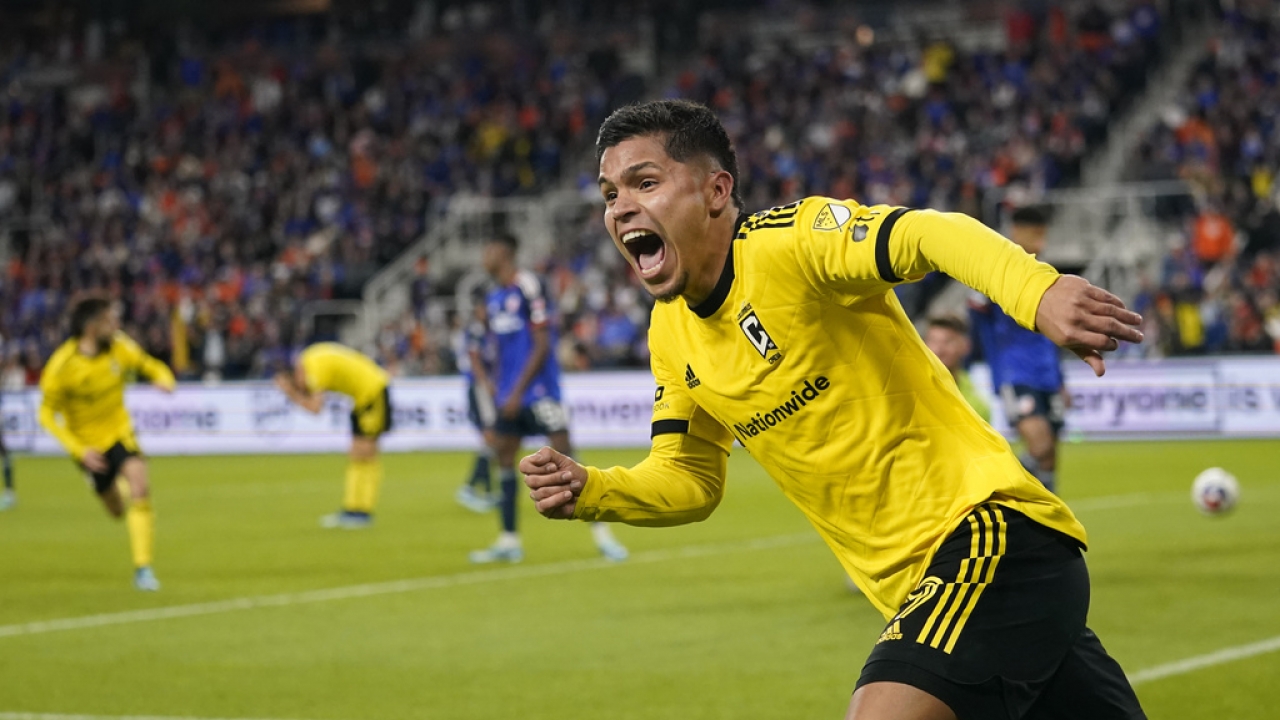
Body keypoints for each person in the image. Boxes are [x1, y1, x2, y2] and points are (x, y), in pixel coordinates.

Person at [521, 100, 1147, 720]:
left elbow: (929, 234)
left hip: (989, 540)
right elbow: (689, 475)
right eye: (609, 194)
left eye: (645, 182)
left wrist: (1037, 290)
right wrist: (595, 489)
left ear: (716, 191)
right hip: (921, 591)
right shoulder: (670, 333)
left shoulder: (791, 243)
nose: (620, 207)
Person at [469, 233, 628, 564]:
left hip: (539, 393)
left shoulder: (529, 286)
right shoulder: (495, 297)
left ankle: (603, 536)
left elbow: (542, 344)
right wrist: (497, 387)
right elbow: (496, 349)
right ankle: (509, 540)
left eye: (489, 249)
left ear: (504, 252)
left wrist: (516, 391)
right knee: (505, 459)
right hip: (508, 395)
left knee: (567, 460)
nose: (484, 256)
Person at [38, 296, 175, 591]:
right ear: (91, 327)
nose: (116, 325)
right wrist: (78, 450)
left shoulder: (120, 346)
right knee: (116, 510)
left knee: (140, 487)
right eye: (109, 321)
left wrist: (165, 379)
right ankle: (111, 487)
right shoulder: (63, 365)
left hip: (120, 434)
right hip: (88, 447)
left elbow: (149, 365)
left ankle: (143, 569)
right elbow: (46, 414)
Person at [969, 206, 1067, 493]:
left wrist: (1061, 379)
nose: (1041, 241)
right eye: (1035, 234)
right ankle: (994, 485)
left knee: (1050, 456)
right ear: (1016, 232)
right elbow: (977, 319)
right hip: (1015, 372)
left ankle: (1046, 513)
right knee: (1040, 445)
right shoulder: (996, 271)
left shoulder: (1044, 274)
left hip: (1047, 375)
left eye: (1043, 234)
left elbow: (1051, 334)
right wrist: (991, 368)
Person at [275, 342, 391, 529]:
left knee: (365, 454)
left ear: (297, 373)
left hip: (372, 392)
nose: (303, 387)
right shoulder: (312, 358)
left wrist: (291, 393)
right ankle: (354, 509)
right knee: (358, 455)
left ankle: (361, 511)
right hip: (363, 395)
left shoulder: (313, 367)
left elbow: (315, 408)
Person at [454, 288, 499, 513]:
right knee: (491, 437)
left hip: (486, 388)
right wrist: (486, 383)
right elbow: (474, 360)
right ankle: (471, 487)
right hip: (480, 389)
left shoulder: (488, 330)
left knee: (491, 440)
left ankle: (488, 491)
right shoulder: (476, 330)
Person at [923, 314, 991, 423]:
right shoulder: (912, 387)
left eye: (948, 342)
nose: (938, 350)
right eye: (933, 341)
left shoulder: (980, 392)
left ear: (966, 346)